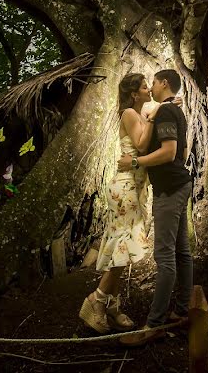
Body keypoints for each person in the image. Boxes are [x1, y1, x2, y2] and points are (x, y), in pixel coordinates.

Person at [117, 69, 192, 346]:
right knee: (182, 252)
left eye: (153, 82)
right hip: (178, 184)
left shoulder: (165, 113)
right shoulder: (172, 111)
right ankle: (182, 309)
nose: (151, 87)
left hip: (170, 190)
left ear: (163, 83)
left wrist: (136, 162)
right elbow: (180, 152)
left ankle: (154, 324)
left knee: (164, 257)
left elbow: (170, 152)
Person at [79, 73, 159, 333]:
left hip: (132, 186)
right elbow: (141, 145)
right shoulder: (129, 114)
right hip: (125, 186)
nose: (148, 90)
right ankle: (97, 300)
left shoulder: (137, 115)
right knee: (125, 246)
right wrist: (154, 116)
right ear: (135, 94)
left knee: (121, 247)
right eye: (144, 87)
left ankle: (112, 305)